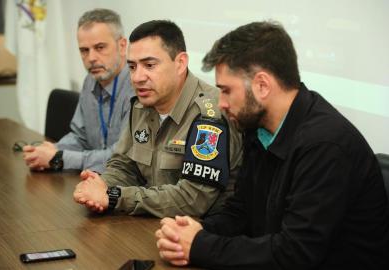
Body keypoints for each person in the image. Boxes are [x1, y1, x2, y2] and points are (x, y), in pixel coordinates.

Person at [156, 21, 389, 269]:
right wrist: (194, 231)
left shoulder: (326, 144)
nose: (221, 103)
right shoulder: (257, 127)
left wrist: (201, 245)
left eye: (226, 90)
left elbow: (295, 254)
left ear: (262, 85)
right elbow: (241, 212)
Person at [73, 20, 242, 218]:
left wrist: (113, 196)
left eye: (149, 65)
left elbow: (193, 199)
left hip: (203, 233)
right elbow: (124, 165)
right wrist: (101, 185)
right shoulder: (141, 105)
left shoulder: (210, 115)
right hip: (152, 223)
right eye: (133, 67)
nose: (137, 77)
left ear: (180, 63)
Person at [22, 9, 134, 173]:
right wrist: (51, 150)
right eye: (84, 50)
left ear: (122, 46)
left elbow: (122, 158)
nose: (91, 58)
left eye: (100, 47)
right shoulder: (91, 80)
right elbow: (80, 137)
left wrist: (59, 157)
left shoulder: (138, 87)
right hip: (92, 179)